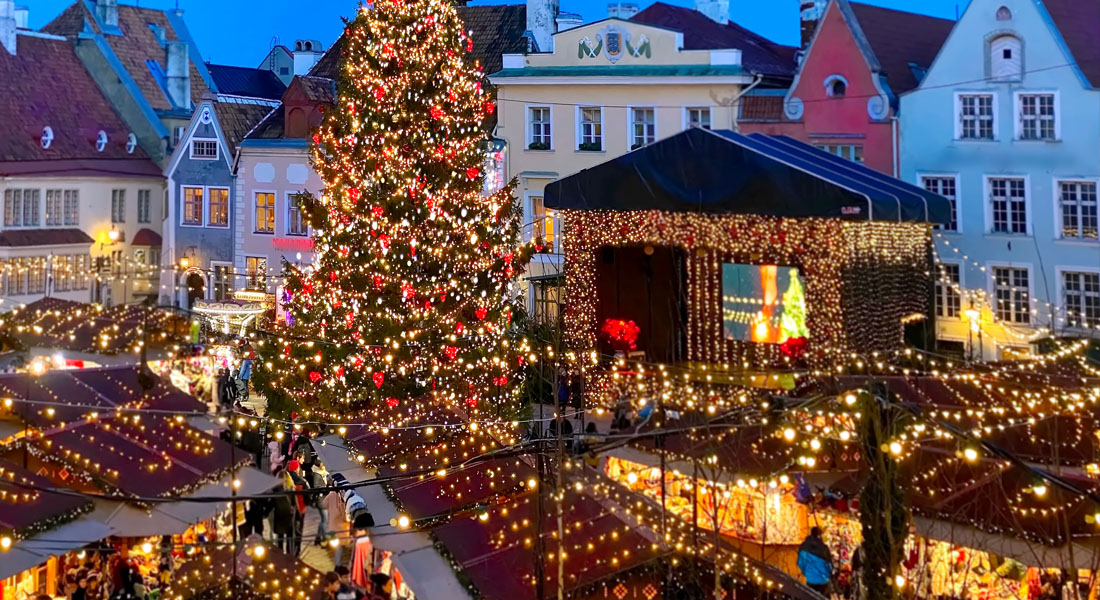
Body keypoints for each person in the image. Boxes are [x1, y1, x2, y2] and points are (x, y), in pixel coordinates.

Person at [797, 526, 833, 595]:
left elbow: (800, 563)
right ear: (819, 535)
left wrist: (806, 572)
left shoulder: (804, 547)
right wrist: (828, 574)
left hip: (810, 579)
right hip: (823, 580)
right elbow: (829, 564)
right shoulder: (824, 548)